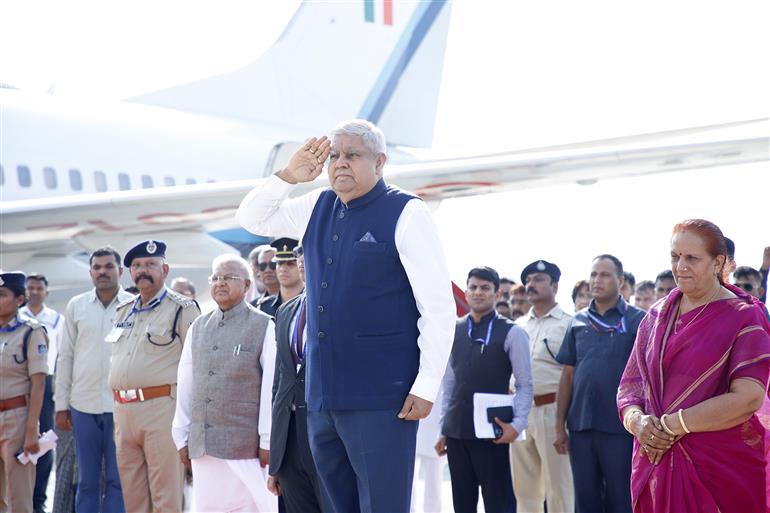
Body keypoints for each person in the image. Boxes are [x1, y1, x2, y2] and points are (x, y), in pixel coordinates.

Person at [236, 119, 455, 513]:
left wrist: (426, 385)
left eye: (352, 155)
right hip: (323, 398)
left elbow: (438, 307)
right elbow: (251, 218)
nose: (340, 163)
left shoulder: (406, 212)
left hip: (382, 397)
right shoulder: (316, 205)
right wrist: (288, 176)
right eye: (334, 155)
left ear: (380, 162)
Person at [617, 219, 770, 512]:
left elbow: (749, 397)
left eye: (692, 258)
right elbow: (630, 386)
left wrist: (674, 425)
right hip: (655, 458)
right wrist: (639, 423)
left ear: (718, 262)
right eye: (675, 257)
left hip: (720, 467)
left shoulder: (744, 317)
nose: (680, 266)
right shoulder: (657, 315)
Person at [172, 254, 277, 512]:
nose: (220, 283)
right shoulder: (198, 326)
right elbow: (186, 383)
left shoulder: (264, 325)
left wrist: (267, 441)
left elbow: (270, 390)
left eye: (229, 277)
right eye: (216, 278)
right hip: (204, 445)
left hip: (246, 447)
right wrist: (181, 435)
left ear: (247, 285)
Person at [108, 240, 201, 513]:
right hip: (124, 412)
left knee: (166, 496)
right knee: (133, 498)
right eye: (136, 266)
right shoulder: (123, 310)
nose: (142, 270)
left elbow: (197, 366)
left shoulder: (182, 309)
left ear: (165, 269)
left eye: (151, 264)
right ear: (129, 273)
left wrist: (191, 423)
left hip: (162, 410)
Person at [436, 266, 532, 513]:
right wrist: (442, 429)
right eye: (473, 287)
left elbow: (524, 384)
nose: (478, 292)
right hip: (457, 433)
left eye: (485, 288)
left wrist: (518, 424)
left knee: (499, 504)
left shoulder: (513, 332)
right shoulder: (453, 330)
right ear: (466, 292)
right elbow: (449, 384)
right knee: (462, 505)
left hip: (494, 433)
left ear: (497, 293)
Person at [554, 254, 645, 513]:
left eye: (605, 275)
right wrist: (559, 426)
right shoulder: (578, 321)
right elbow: (568, 375)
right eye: (594, 274)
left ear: (621, 280)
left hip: (621, 427)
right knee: (585, 500)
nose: (597, 280)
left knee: (621, 500)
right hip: (581, 426)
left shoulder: (639, 320)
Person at [55, 247, 134, 513]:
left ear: (121, 271)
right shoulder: (76, 305)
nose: (102, 272)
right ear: (90, 272)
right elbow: (65, 357)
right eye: (97, 267)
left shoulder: (133, 305)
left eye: (108, 266)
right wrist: (60, 405)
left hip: (121, 406)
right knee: (86, 481)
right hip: (82, 404)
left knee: (117, 480)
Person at [510, 260, 574, 513]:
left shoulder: (570, 323)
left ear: (555, 285)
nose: (530, 285)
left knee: (559, 488)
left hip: (554, 411)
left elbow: (571, 374)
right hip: (521, 412)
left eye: (538, 279)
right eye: (528, 280)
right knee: (525, 490)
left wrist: (563, 422)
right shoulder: (518, 326)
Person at [267, 246, 324, 513]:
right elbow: (280, 382)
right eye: (300, 256)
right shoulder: (286, 311)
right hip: (289, 439)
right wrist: (276, 459)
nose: (301, 261)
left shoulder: (337, 308)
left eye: (306, 254)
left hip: (324, 432)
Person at [0, 271, 48, 513]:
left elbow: (38, 383)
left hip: (17, 418)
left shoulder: (31, 331)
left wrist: (32, 430)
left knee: (19, 499)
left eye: (2, 295)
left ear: (19, 300)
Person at [19, 274, 63, 513]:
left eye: (39, 288)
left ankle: (38, 499)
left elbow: (64, 354)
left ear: (46, 292)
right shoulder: (14, 318)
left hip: (46, 383)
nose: (35, 292)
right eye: (31, 288)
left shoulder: (57, 320)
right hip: (18, 382)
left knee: (44, 441)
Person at [259, 238, 304, 318]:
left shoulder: (309, 304)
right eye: (279, 263)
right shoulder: (264, 307)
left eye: (290, 264)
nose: (283, 269)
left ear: (300, 264)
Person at [252, 246, 279, 311]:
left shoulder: (294, 302)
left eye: (273, 264)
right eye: (262, 266)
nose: (267, 270)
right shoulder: (254, 307)